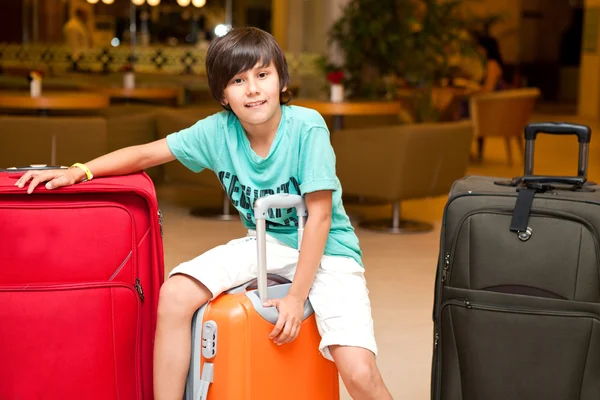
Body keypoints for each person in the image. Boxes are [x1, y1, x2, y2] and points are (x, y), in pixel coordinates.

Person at [15, 27, 392, 400]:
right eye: (238, 81)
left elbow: (320, 218)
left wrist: (296, 297)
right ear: (223, 95)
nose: (253, 89)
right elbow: (147, 154)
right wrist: (79, 171)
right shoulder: (216, 132)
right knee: (175, 294)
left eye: (263, 75)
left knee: (359, 373)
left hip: (328, 251)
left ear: (281, 80)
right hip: (266, 242)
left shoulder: (308, 127)